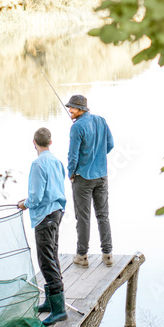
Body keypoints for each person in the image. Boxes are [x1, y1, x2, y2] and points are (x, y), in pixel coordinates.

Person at [17, 127, 68, 325]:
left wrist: (25, 204)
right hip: (57, 212)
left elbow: (37, 197)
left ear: (34, 143)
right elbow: (54, 188)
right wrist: (30, 199)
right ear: (50, 142)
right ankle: (50, 302)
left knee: (45, 260)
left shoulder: (38, 164)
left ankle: (59, 310)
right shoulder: (57, 161)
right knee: (52, 255)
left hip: (44, 216)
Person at [65, 94, 115, 268]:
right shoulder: (101, 121)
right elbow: (110, 145)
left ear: (82, 109)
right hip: (101, 175)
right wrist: (98, 157)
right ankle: (107, 254)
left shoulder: (77, 127)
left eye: (72, 107)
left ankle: (82, 256)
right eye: (69, 107)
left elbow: (73, 155)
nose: (70, 110)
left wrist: (71, 173)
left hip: (83, 178)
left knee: (83, 218)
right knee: (103, 215)